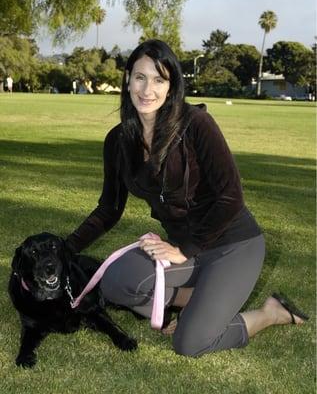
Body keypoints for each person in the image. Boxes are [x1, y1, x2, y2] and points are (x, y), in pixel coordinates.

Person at [66, 39, 308, 357]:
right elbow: (109, 208)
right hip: (184, 251)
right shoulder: (118, 140)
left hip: (232, 246)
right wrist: (65, 249)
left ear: (172, 85)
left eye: (159, 79)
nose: (147, 89)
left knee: (190, 343)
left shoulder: (196, 124)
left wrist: (186, 249)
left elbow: (230, 196)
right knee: (115, 281)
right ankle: (196, 299)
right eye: (140, 77)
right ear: (127, 80)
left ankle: (270, 313)